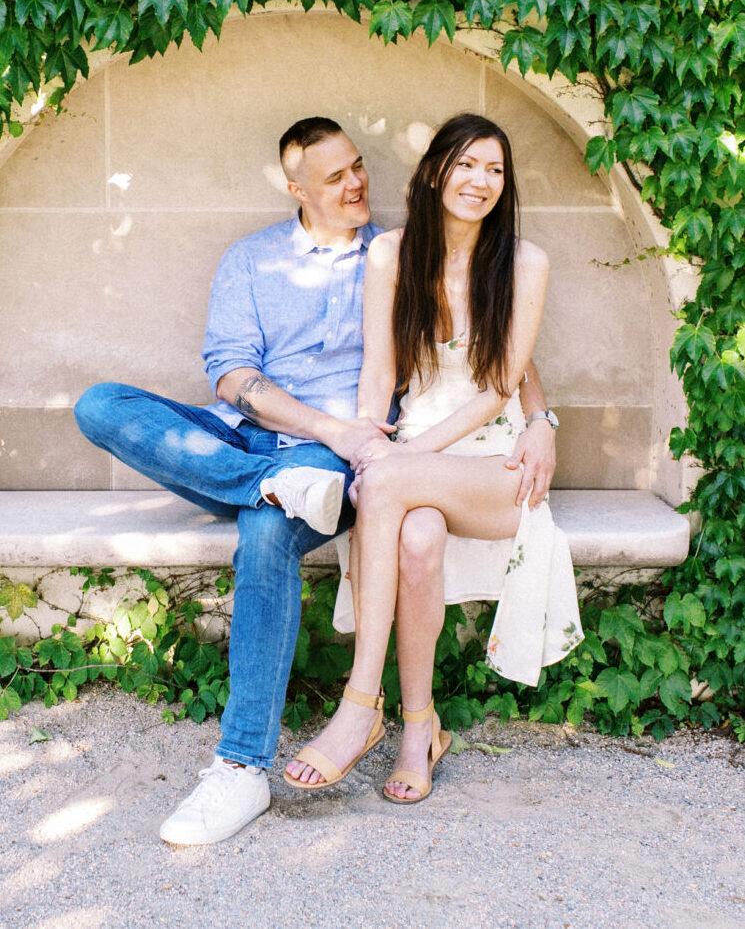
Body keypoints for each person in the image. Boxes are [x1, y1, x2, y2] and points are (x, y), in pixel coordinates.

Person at [74, 116, 557, 844]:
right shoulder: (252, 259)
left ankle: (242, 768)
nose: (358, 183)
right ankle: (263, 481)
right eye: (335, 177)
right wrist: (321, 435)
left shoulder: (399, 248)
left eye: (359, 167)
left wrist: (540, 417)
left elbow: (499, 352)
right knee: (101, 404)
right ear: (295, 188)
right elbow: (231, 372)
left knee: (270, 530)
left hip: (345, 460)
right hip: (258, 441)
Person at [284, 113, 582, 803]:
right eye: (466, 164)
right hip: (414, 459)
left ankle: (359, 704)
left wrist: (399, 461)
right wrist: (370, 443)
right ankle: (419, 728)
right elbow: (376, 373)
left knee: (387, 488)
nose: (479, 181)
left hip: (497, 465)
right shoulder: (390, 254)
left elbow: (497, 390)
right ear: (433, 172)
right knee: (415, 534)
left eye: (495, 169)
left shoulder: (524, 263)